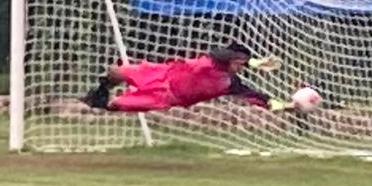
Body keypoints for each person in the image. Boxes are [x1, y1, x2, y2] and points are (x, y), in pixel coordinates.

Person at [81, 42, 298, 113]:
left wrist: (284, 105)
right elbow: (221, 54)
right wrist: (252, 61)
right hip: (162, 74)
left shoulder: (230, 84)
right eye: (239, 62)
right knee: (117, 71)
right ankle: (101, 86)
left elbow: (256, 97)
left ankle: (96, 101)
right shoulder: (214, 60)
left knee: (116, 105)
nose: (240, 67)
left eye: (242, 63)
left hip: (166, 98)